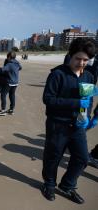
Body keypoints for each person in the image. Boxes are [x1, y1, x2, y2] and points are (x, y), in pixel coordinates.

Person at [41, 38, 96, 204]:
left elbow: (89, 99)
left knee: (82, 158)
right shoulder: (57, 74)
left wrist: (87, 115)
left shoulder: (89, 76)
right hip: (58, 124)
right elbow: (48, 99)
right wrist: (76, 103)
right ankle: (49, 184)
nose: (81, 63)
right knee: (53, 157)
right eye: (78, 58)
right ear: (70, 56)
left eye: (86, 60)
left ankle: (67, 185)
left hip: (78, 125)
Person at [0, 51, 22, 116]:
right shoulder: (17, 63)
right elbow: (20, 68)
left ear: (9, 57)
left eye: (7, 57)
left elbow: (2, 70)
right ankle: (11, 110)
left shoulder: (9, 64)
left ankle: (3, 110)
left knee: (3, 95)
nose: (7, 58)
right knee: (12, 95)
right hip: (16, 82)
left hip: (9, 82)